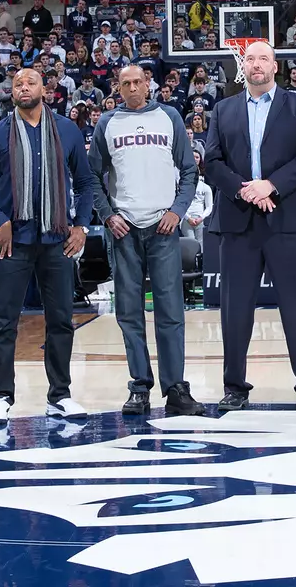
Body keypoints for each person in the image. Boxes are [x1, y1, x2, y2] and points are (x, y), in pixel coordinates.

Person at [203, 41, 296, 410]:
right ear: (244, 67)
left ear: (275, 66)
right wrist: (247, 190)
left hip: (287, 217)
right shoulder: (223, 109)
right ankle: (235, 386)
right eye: (250, 59)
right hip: (239, 219)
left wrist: (270, 185)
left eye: (263, 59)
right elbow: (212, 162)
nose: (256, 65)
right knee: (234, 307)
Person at [0, 67, 93, 424]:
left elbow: (86, 183)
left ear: (46, 89)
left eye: (31, 82)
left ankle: (60, 395)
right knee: (4, 321)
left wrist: (82, 226)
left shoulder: (67, 131)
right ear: (11, 93)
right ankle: (1, 396)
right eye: (17, 84)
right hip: (14, 242)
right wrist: (0, 222)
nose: (23, 88)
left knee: (61, 321)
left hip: (57, 240)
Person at [87, 65, 204, 417]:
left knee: (170, 312)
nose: (133, 87)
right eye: (126, 83)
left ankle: (176, 388)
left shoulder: (168, 117)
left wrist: (178, 210)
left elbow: (189, 169)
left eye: (139, 81)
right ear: (118, 88)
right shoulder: (107, 123)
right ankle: (139, 386)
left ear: (148, 84)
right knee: (129, 312)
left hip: (164, 228)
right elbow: (92, 177)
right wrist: (108, 216)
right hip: (124, 229)